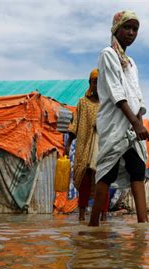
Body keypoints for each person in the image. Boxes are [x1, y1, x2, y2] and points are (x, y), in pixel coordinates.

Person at [88, 10, 149, 226]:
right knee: (107, 172)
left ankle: (143, 225)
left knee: (138, 170)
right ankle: (93, 227)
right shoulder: (108, 54)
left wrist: (139, 123)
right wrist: (135, 123)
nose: (131, 32)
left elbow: (137, 96)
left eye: (135, 29)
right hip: (115, 124)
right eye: (127, 27)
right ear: (116, 29)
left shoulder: (131, 63)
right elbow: (116, 92)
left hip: (133, 126)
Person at [65, 68, 107, 221]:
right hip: (84, 145)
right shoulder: (82, 103)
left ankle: (104, 215)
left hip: (101, 147)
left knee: (103, 180)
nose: (97, 85)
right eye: (94, 82)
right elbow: (74, 124)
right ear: (90, 83)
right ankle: (82, 215)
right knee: (84, 179)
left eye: (99, 82)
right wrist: (68, 144)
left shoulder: (106, 104)